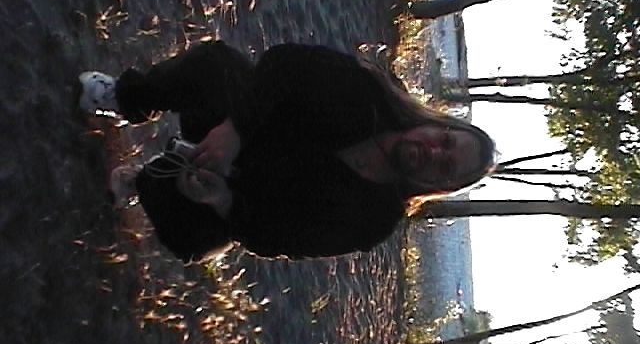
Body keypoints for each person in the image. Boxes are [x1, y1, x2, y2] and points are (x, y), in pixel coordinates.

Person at [78, 41, 497, 262]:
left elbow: (283, 241)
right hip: (232, 123)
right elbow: (285, 64)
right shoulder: (368, 94)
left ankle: (144, 179)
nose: (434, 152)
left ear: (439, 185)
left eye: (446, 167)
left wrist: (223, 200)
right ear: (437, 125)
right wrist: (235, 130)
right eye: (445, 141)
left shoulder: (375, 220)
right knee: (214, 64)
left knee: (189, 237)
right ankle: (122, 99)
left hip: (237, 194)